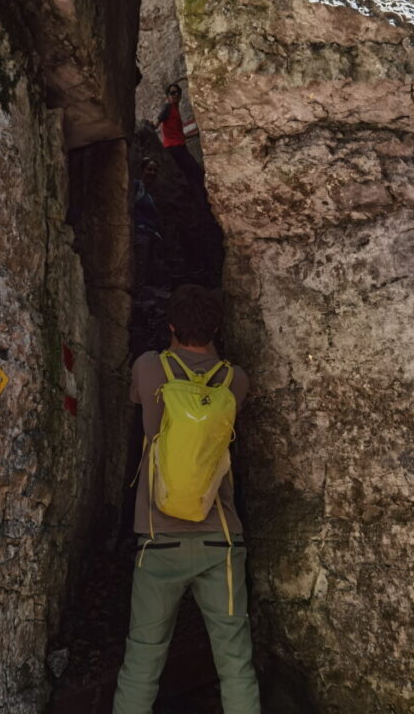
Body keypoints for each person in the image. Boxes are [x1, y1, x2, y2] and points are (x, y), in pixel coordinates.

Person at [112, 285, 261, 714]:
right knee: (235, 663)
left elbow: (135, 401)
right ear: (216, 326)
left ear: (172, 325)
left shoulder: (148, 368)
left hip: (159, 541)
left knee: (142, 657)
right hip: (221, 542)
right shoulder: (237, 381)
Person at [154, 83, 204, 189]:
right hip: (174, 148)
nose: (176, 95)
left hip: (179, 146)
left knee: (189, 175)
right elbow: (157, 123)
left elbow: (178, 133)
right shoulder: (168, 107)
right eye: (172, 93)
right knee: (196, 172)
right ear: (168, 96)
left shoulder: (175, 110)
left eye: (178, 92)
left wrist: (194, 134)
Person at [133, 157, 161, 289]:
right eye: (149, 169)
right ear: (142, 170)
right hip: (140, 234)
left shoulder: (150, 193)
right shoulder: (137, 187)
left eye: (155, 170)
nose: (152, 173)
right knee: (139, 268)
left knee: (147, 270)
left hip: (150, 236)